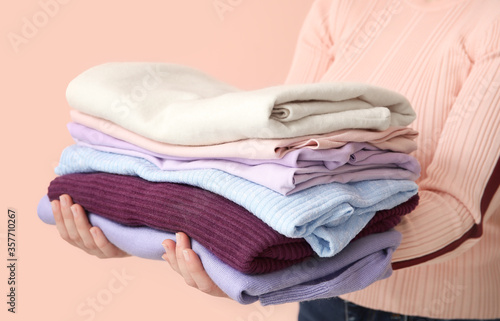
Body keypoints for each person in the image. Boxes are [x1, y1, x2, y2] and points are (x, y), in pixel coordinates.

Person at [50, 0, 500, 320]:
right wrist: (130, 227)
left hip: (433, 311)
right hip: (322, 303)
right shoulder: (342, 9)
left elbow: (460, 208)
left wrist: (282, 266)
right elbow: (286, 161)